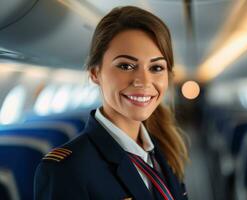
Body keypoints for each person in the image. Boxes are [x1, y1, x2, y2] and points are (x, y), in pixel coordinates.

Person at [34, 6, 189, 200]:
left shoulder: (165, 148)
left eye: (156, 67)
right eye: (126, 66)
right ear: (95, 73)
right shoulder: (66, 170)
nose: (143, 81)